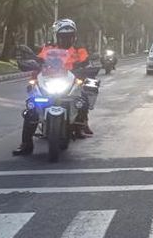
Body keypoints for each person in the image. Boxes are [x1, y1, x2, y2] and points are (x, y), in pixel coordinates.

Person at [13, 19, 93, 156]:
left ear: (74, 36)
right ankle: (26, 144)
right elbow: (38, 60)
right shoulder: (48, 49)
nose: (66, 39)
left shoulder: (79, 50)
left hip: (71, 80)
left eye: (69, 36)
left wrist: (85, 67)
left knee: (83, 98)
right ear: (57, 36)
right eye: (63, 36)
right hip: (48, 80)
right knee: (31, 108)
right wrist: (34, 63)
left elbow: (87, 62)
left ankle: (81, 124)